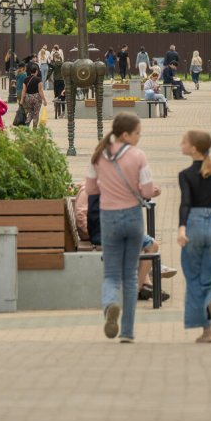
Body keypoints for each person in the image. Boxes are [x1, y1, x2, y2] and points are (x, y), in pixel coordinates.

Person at [85, 114, 159, 343]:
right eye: (138, 133)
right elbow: (146, 191)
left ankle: (110, 306)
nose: (140, 137)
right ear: (126, 134)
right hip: (134, 218)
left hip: (109, 219)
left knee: (111, 274)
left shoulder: (98, 155)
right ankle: (127, 331)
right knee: (129, 276)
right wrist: (141, 191)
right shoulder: (138, 156)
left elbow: (90, 189)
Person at [177, 129, 211, 342]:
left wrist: (181, 228)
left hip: (194, 225)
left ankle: (207, 331)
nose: (181, 144)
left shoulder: (185, 175)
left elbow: (185, 202)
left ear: (194, 149)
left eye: (184, 142)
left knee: (194, 277)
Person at [22, 62, 46, 127]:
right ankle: (34, 128)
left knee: (30, 113)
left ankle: (27, 123)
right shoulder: (38, 79)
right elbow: (40, 90)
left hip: (28, 97)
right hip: (36, 98)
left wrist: (21, 100)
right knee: (36, 114)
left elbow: (23, 90)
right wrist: (44, 100)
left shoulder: (26, 79)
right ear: (36, 71)